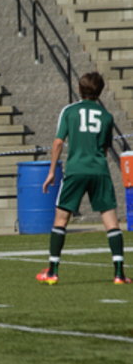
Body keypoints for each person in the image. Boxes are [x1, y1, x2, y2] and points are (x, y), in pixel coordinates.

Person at [36, 72, 131, 285]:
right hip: (99, 171)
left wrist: (51, 172)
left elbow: (58, 142)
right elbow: (105, 147)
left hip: (76, 170)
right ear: (100, 91)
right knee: (111, 221)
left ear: (79, 89)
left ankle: (52, 271)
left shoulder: (69, 111)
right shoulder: (106, 116)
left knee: (61, 219)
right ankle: (119, 274)